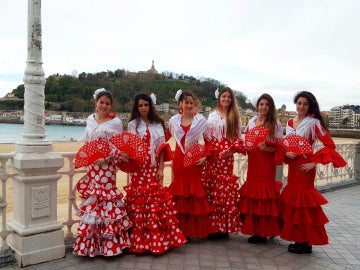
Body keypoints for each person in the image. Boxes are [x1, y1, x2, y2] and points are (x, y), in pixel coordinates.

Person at [279, 91, 346, 254]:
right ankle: (300, 239)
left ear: (310, 106)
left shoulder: (314, 123)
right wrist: (286, 153)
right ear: (295, 104)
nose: (301, 106)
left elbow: (330, 145)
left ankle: (305, 241)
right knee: (295, 203)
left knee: (304, 203)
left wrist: (313, 162)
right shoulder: (289, 123)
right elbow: (285, 144)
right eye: (299, 103)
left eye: (305, 104)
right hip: (293, 166)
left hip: (305, 167)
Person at [124, 93, 187, 254]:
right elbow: (130, 147)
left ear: (150, 106)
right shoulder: (133, 125)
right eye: (140, 106)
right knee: (139, 203)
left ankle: (156, 241)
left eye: (146, 105)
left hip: (153, 169)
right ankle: (140, 241)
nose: (143, 108)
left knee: (154, 203)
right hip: (139, 169)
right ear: (136, 108)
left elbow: (162, 149)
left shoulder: (158, 123)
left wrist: (160, 168)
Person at [73, 88, 131, 257]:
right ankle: (94, 245)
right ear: (96, 103)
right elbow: (88, 140)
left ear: (111, 106)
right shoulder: (90, 120)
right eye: (101, 102)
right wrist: (88, 156)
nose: (104, 105)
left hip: (107, 167)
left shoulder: (116, 123)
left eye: (107, 103)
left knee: (106, 201)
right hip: (92, 166)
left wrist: (105, 159)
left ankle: (109, 245)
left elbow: (118, 146)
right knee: (94, 201)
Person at [167, 89, 216, 240]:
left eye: (191, 103)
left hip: (195, 162)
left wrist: (206, 156)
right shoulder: (173, 121)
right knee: (179, 194)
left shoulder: (201, 121)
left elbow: (209, 142)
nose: (189, 105)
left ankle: (191, 230)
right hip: (179, 161)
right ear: (180, 104)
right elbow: (164, 137)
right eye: (186, 102)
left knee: (193, 193)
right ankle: (179, 229)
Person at [238, 93, 283, 243]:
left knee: (264, 194)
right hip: (254, 161)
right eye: (261, 104)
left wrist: (268, 148)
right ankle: (256, 230)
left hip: (266, 162)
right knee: (254, 195)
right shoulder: (251, 122)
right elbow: (247, 141)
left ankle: (264, 231)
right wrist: (247, 146)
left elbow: (280, 146)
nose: (263, 107)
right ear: (257, 106)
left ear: (270, 107)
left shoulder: (275, 123)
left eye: (266, 104)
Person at [202, 87, 243, 239]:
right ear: (219, 98)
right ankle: (212, 226)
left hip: (226, 157)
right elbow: (206, 136)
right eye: (223, 96)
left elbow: (238, 140)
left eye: (229, 97)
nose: (226, 99)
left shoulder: (235, 117)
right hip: (213, 156)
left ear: (232, 100)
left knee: (223, 191)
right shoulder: (211, 116)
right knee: (212, 187)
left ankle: (223, 227)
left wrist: (230, 152)